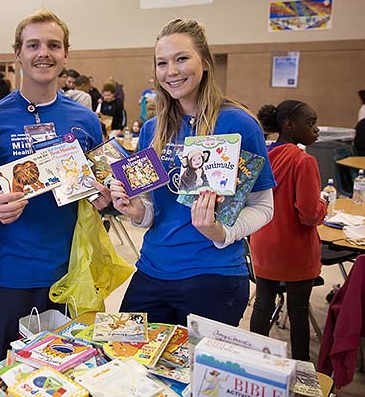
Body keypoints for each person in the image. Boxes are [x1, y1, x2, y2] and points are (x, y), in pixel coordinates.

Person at [110, 18, 275, 327]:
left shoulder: (238, 125)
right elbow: (152, 212)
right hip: (151, 270)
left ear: (205, 62)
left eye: (182, 58)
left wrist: (221, 232)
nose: (171, 71)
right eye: (162, 63)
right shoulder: (152, 130)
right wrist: (135, 210)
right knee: (129, 365)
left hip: (213, 275)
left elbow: (264, 207)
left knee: (200, 375)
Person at [0, 9, 108, 365]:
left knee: (67, 368)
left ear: (66, 55)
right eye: (33, 45)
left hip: (71, 272)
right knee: (7, 369)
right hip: (13, 271)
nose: (43, 52)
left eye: (53, 45)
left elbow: (102, 186)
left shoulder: (86, 120)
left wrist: (107, 198)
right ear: (18, 53)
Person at [250, 100, 327, 361]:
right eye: (311, 123)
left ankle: (254, 362)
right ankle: (301, 370)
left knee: (262, 304)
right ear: (289, 125)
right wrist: (324, 203)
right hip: (295, 249)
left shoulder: (262, 156)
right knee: (298, 310)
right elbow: (309, 215)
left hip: (262, 244)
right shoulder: (304, 161)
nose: (316, 130)